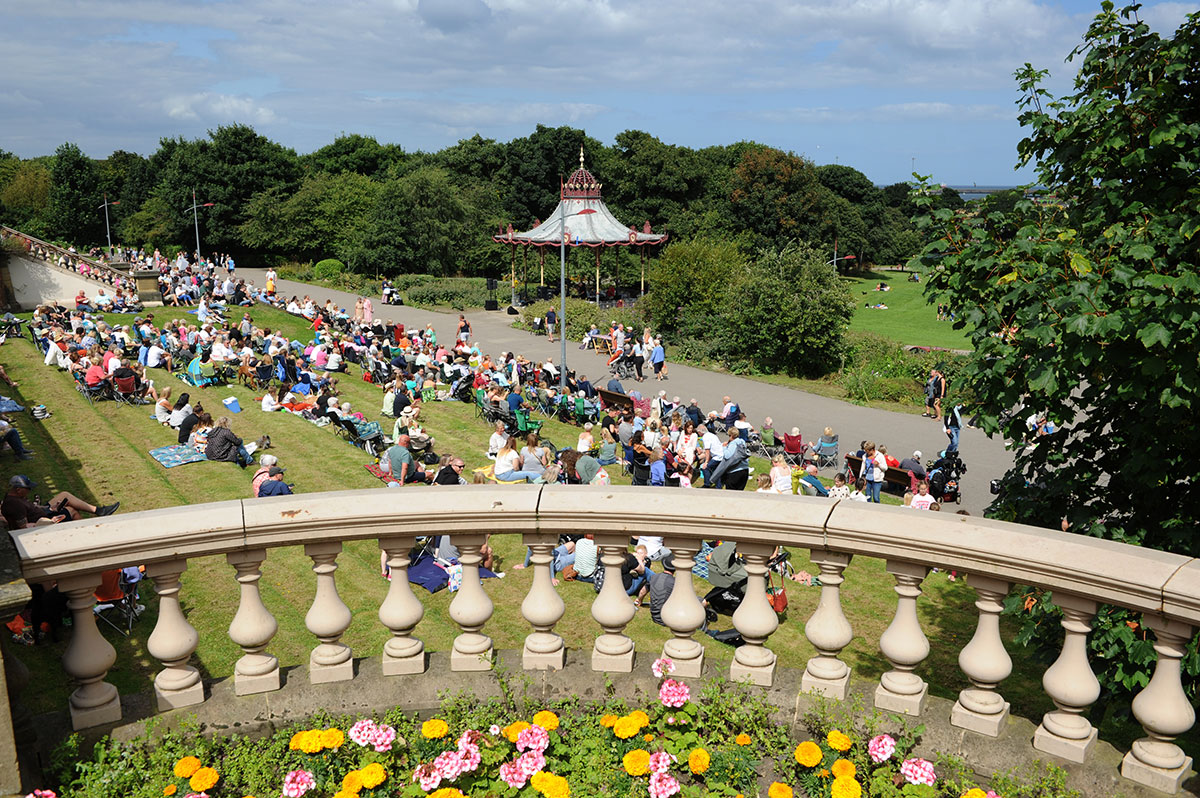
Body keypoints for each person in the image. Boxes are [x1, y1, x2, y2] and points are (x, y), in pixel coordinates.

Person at [2, 474, 118, 528]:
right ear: (18, 489)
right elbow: (24, 527)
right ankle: (84, 532)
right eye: (28, 489)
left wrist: (49, 508)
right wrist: (49, 522)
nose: (30, 491)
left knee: (64, 495)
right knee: (72, 510)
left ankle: (99, 511)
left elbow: (30, 509)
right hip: (43, 521)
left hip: (44, 513)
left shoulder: (17, 498)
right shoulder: (15, 505)